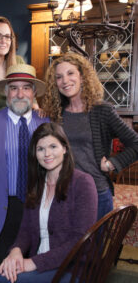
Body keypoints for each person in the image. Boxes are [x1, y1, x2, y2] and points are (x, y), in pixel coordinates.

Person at [0, 122, 98, 283]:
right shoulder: (36, 185)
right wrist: (16, 252)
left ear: (65, 148)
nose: (47, 154)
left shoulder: (83, 183)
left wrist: (31, 263)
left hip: (72, 269)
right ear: (35, 153)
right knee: (5, 272)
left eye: (53, 146)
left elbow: (81, 242)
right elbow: (25, 230)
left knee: (4, 282)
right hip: (41, 263)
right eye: (40, 149)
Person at [41, 52, 138, 220]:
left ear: (83, 76)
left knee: (95, 247)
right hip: (63, 194)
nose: (65, 81)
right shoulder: (56, 114)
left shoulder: (102, 111)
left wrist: (112, 164)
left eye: (70, 73)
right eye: (59, 77)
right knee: (68, 246)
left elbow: (136, 143)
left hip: (96, 194)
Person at [0, 63, 49, 265]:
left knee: (36, 266)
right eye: (14, 88)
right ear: (6, 92)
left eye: (26, 87)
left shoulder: (47, 123)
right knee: (6, 267)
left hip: (39, 206)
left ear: (34, 93)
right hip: (2, 209)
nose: (19, 94)